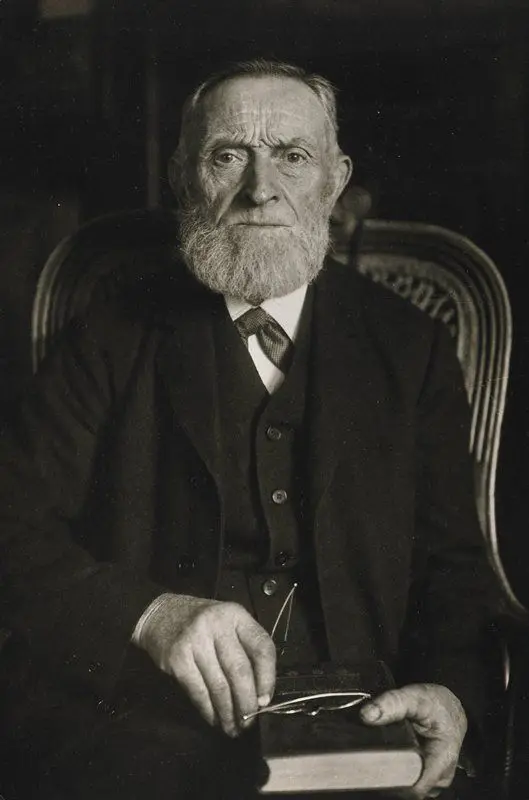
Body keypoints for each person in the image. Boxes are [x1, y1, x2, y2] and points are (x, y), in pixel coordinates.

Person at [0, 59, 497, 800]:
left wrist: (452, 695)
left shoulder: (409, 347)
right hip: (141, 720)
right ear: (181, 176)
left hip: (360, 721)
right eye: (227, 154)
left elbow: (454, 567)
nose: (260, 188)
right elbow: (12, 529)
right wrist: (147, 614)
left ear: (333, 177)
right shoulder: (109, 335)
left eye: (291, 156)